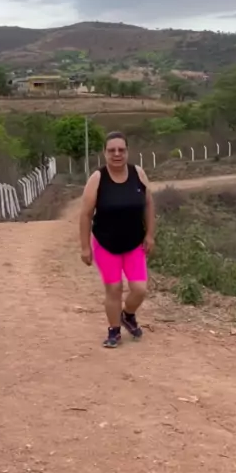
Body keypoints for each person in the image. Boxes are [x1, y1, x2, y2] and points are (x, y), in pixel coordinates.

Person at [79, 132, 156, 348]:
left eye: (121, 150)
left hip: (134, 243)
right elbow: (85, 215)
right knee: (114, 289)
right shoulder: (97, 179)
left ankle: (128, 315)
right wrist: (85, 247)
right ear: (105, 153)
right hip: (106, 244)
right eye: (111, 150)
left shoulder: (138, 173)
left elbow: (149, 204)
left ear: (127, 151)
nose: (117, 154)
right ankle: (114, 331)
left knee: (139, 289)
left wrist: (150, 234)